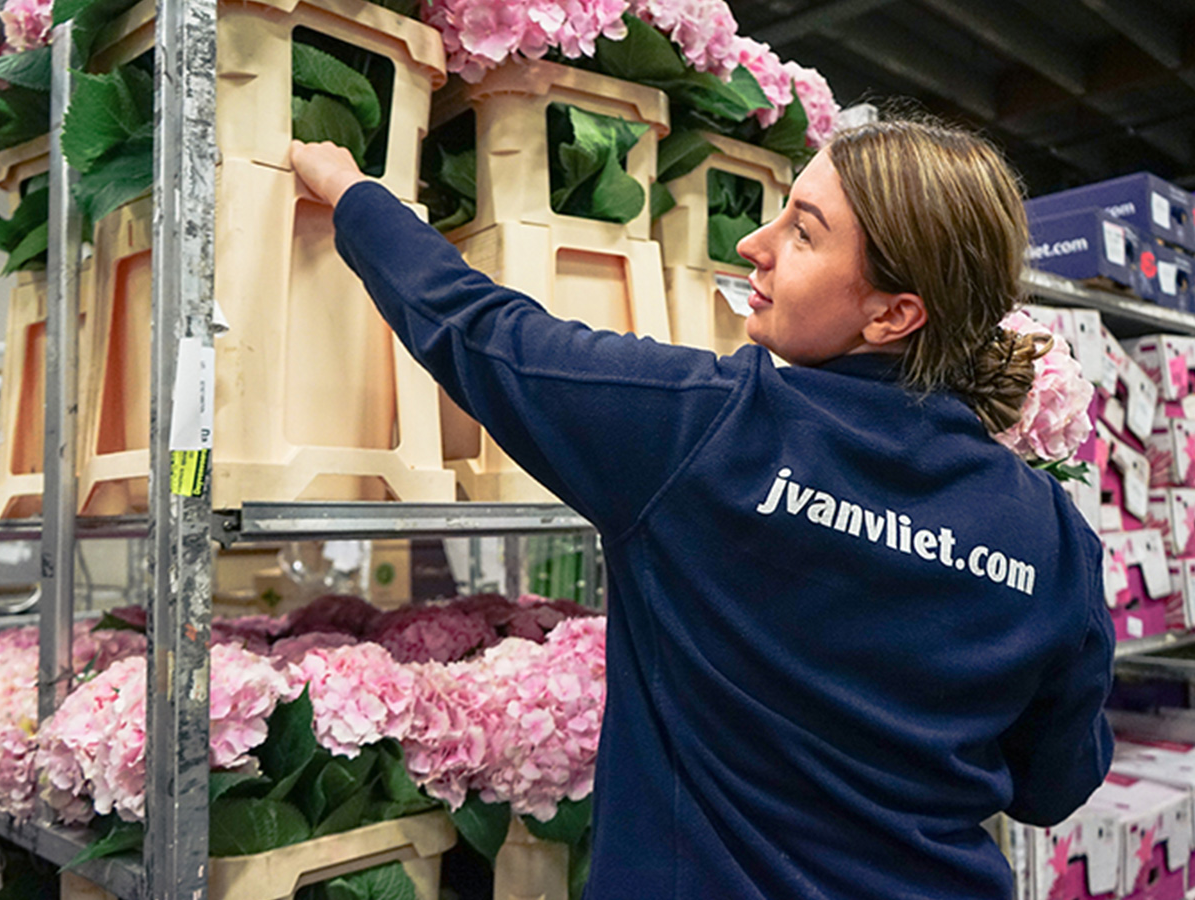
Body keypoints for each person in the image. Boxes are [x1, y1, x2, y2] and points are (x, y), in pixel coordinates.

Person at [290, 117, 1113, 900]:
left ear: (893, 314)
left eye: (803, 233)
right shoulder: (1054, 535)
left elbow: (483, 333)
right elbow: (1052, 786)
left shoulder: (706, 434)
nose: (754, 245)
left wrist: (354, 193)